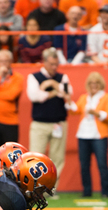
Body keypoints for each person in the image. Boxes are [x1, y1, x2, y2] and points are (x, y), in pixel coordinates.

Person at [26, 47, 72, 188]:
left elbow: (68, 94)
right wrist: (56, 91)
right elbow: (35, 97)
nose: (54, 67)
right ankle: (35, 187)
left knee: (57, 158)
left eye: (56, 64)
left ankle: (52, 188)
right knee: (35, 157)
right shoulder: (34, 77)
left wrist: (50, 85)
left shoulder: (62, 77)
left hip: (58, 122)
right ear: (44, 62)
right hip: (39, 123)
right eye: (51, 64)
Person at [67, 72, 108, 198]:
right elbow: (75, 110)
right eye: (91, 83)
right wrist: (67, 100)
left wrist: (96, 113)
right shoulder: (84, 97)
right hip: (83, 135)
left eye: (96, 83)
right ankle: (87, 191)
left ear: (100, 84)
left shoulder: (106, 97)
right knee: (84, 165)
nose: (94, 86)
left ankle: (105, 191)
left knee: (102, 164)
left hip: (99, 136)